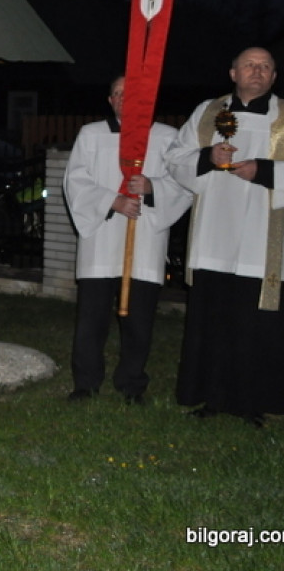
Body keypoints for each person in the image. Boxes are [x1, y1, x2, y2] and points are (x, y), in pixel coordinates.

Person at [166, 46, 284, 426]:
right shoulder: (208, 112)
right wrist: (207, 158)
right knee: (215, 320)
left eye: (266, 66)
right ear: (233, 73)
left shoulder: (283, 117)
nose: (258, 71)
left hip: (260, 241)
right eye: (250, 65)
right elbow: (174, 158)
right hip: (214, 236)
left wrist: (265, 172)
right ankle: (212, 397)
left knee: (255, 326)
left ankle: (252, 403)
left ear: (274, 77)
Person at [63, 76, 191, 404]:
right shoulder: (91, 135)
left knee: (138, 322)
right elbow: (75, 180)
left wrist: (151, 188)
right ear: (110, 100)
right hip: (100, 241)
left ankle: (132, 384)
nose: (123, 98)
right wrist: (113, 201)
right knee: (91, 322)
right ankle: (86, 383)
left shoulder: (166, 138)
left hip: (144, 240)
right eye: (117, 93)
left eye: (130, 93)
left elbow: (182, 182)